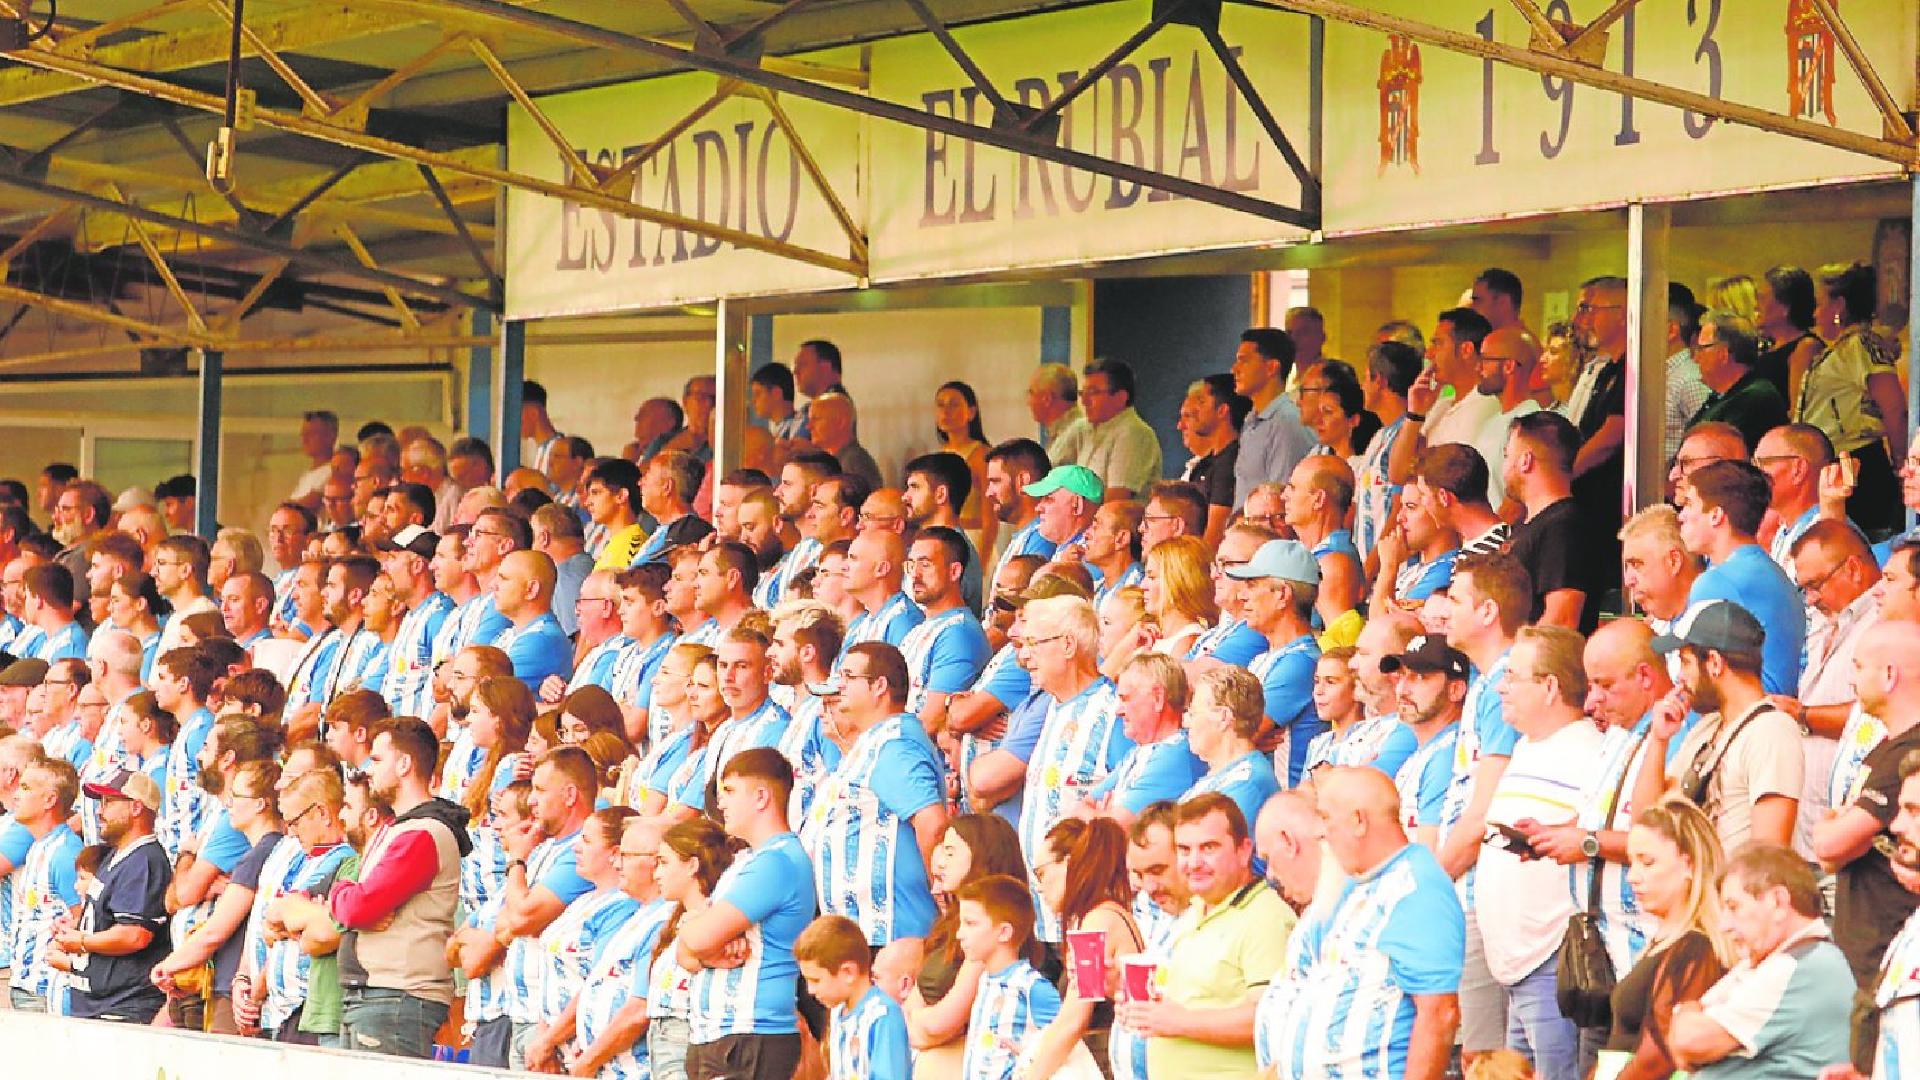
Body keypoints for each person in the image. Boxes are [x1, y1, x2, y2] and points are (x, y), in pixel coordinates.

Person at [1259, 765, 1464, 1080]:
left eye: (1326, 818)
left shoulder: (1416, 886)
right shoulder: (1358, 886)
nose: (1319, 832)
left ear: (1358, 821)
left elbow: (1438, 1013)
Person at [1479, 625, 1607, 1080]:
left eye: (1514, 676)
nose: (1501, 686)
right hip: (1517, 968)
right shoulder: (1526, 747)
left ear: (1550, 686)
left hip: (1553, 960)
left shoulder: (1590, 752)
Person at [1809, 621, 1920, 1067]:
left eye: (1857, 666)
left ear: (1889, 675)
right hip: (1879, 957)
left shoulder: (1908, 753)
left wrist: (1836, 826)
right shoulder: (1888, 749)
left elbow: (1832, 845)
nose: (1852, 679)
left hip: (1887, 953)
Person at [328, 717, 474, 1058]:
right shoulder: (403, 829)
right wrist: (347, 897)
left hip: (397, 995)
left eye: (378, 760)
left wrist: (340, 893)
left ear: (405, 764)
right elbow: (355, 905)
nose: (369, 769)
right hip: (380, 995)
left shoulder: (421, 833)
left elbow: (356, 908)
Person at [1123, 792, 1291, 1078]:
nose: (1194, 862)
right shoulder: (1194, 910)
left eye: (1209, 847)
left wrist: (1180, 1022)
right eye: (1184, 850)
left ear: (1243, 850)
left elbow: (1269, 1019)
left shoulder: (1266, 916)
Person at [675, 748, 817, 1079]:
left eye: (730, 791)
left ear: (761, 797)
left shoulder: (776, 862)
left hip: (750, 1032)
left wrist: (696, 933)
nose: (720, 803)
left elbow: (697, 938)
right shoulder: (747, 861)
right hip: (721, 1036)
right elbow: (684, 953)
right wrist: (701, 945)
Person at [807, 642, 948, 962]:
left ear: (879, 686)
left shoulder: (894, 744)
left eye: (848, 676)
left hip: (894, 934)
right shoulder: (874, 740)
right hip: (866, 934)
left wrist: (941, 886)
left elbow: (933, 823)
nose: (838, 684)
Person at [1666, 844, 1854, 1078]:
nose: (1724, 925)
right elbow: (1681, 1051)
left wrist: (1686, 1009)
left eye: (1734, 907)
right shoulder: (1769, 961)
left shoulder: (1800, 967)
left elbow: (1689, 1042)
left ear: (1777, 902)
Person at [1640, 600, 1802, 852]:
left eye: (1685, 662)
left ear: (1714, 663)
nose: (1679, 678)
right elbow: (1645, 823)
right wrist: (1659, 740)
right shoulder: (1707, 728)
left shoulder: (1771, 731)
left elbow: (1769, 855)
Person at [1598, 797, 1734, 1080]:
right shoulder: (1671, 943)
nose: (1633, 877)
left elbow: (1658, 1056)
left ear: (1688, 864)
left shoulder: (1695, 948)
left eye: (1647, 863)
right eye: (1632, 863)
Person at [906, 814, 1030, 1080]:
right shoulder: (948, 924)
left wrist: (918, 1022)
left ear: (982, 857)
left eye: (951, 852)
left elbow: (945, 1021)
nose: (939, 862)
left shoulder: (993, 929)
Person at [1678, 460, 1806, 695]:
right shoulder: (1769, 571)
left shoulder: (1717, 581)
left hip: (1746, 717)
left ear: (1716, 515)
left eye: (1689, 504)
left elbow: (1698, 684)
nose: (1681, 516)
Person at [55, 765, 171, 1023]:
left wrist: (82, 941)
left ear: (136, 807)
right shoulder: (116, 855)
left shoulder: (145, 860)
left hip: (122, 1006)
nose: (99, 811)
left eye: (108, 802)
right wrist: (78, 926)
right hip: (98, 1005)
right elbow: (111, 920)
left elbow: (134, 935)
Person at [1799, 261, 1906, 535]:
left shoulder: (1861, 345)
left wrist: (1901, 463)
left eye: (1819, 303)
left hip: (1858, 462)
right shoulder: (1840, 349)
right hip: (1834, 460)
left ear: (1839, 306)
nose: (1814, 313)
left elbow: (1893, 406)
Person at [1228, 538, 1326, 784]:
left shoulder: (1300, 662)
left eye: (1252, 585)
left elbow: (1229, 742)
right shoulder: (1264, 658)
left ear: (1282, 595)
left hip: (1286, 803)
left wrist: (1243, 741)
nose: (1242, 596)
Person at [955, 873, 1060, 1080]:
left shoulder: (1032, 987)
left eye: (970, 923)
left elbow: (1062, 1045)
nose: (959, 933)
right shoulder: (985, 980)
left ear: (1004, 932)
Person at [1504, 411, 1599, 630]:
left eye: (1507, 455)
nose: (1505, 466)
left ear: (1525, 461)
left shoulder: (1564, 525)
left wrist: (1513, 662)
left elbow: (1562, 618)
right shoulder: (1531, 525)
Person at [796, 913, 912, 1080]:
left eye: (816, 980)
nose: (810, 990)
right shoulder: (838, 1012)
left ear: (848, 972)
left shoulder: (882, 1015)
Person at [1048, 360, 1162, 501]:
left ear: (1120, 398)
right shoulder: (1083, 427)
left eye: (1093, 393)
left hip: (1115, 521)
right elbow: (1047, 470)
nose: (1084, 401)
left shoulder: (1133, 433)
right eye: (1082, 393)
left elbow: (1116, 501)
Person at [1231, 328, 1313, 510]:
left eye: (1243, 361)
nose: (1234, 369)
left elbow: (1279, 498)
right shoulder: (1251, 420)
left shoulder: (1286, 422)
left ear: (1271, 368)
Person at [1690, 311, 1789, 451]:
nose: (1696, 359)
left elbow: (1718, 454)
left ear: (1722, 354)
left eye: (1701, 349)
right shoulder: (1720, 396)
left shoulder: (1755, 398)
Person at [1176, 374, 1246, 549]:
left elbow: (1215, 533)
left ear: (1222, 411)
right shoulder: (1204, 465)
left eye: (1201, 402)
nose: (1194, 410)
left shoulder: (1231, 462)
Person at [1029, 363, 1083, 449]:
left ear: (1047, 399)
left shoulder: (1074, 435)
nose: (1028, 402)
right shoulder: (1065, 432)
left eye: (1031, 393)